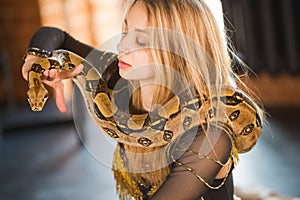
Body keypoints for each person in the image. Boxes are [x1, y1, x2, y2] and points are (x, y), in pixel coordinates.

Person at [21, 0, 264, 199]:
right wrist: (36, 60)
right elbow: (55, 37)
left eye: (141, 40)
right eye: (125, 30)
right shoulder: (120, 75)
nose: (121, 45)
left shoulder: (210, 137)